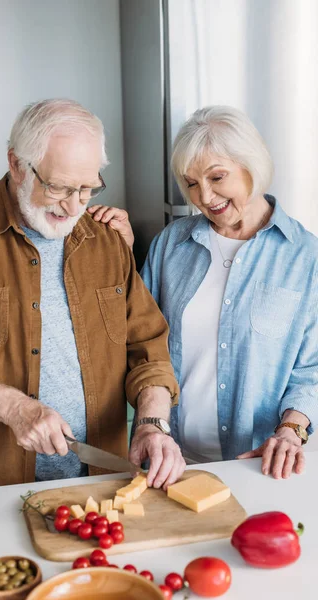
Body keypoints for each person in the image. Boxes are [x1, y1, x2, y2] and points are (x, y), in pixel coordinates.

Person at [0, 99, 185, 491]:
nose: (74, 205)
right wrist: (16, 409)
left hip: (105, 481)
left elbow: (148, 347)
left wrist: (152, 425)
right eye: (58, 187)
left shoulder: (106, 237)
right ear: (16, 164)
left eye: (88, 189)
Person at [88, 105, 318, 480]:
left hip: (258, 466)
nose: (204, 196)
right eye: (191, 183)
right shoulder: (171, 245)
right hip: (168, 460)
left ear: (251, 165)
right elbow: (135, 337)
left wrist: (291, 431)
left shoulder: (306, 257)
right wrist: (121, 256)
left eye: (217, 177)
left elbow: (312, 370)